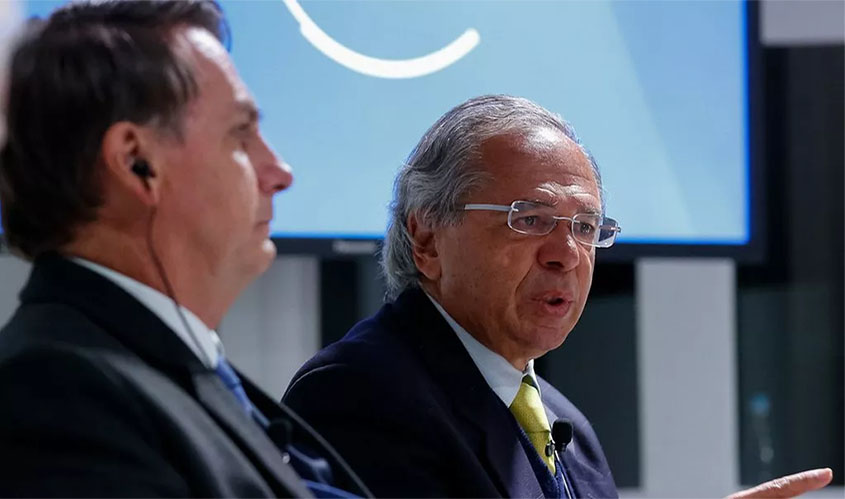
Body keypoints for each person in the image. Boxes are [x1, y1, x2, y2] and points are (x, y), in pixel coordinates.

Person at [283, 95, 833, 498]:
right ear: (427, 239)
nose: (566, 254)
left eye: (585, 227)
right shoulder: (358, 393)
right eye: (530, 219)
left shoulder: (567, 424)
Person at [0, 1, 368, 497]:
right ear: (136, 163)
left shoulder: (162, 367)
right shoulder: (55, 397)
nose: (280, 172)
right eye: (241, 134)